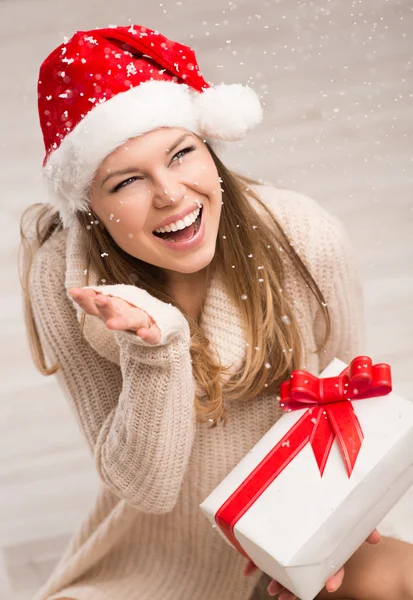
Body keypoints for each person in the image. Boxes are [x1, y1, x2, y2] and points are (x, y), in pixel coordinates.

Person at [19, 23, 413, 600]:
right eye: (128, 181)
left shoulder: (304, 236)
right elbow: (146, 489)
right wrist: (157, 349)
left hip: (291, 530)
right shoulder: (66, 279)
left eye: (181, 154)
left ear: (211, 148)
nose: (170, 194)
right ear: (91, 209)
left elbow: (348, 403)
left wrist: (333, 522)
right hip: (157, 563)